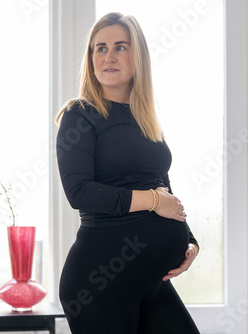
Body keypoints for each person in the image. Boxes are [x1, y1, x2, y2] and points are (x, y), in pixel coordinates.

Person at [55, 12, 200, 333]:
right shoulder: (79, 116)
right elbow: (80, 193)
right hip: (99, 282)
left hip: (150, 280)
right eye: (99, 48)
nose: (108, 56)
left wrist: (190, 243)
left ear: (139, 57)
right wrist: (152, 201)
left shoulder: (146, 118)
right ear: (90, 58)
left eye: (120, 47)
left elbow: (164, 190)